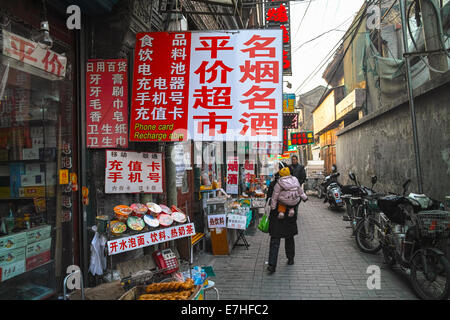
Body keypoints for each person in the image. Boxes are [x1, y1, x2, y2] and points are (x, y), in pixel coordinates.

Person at [266, 162, 308, 274]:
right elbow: (299, 196)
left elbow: (270, 199)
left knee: (275, 240)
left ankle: (272, 265)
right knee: (289, 237)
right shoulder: (294, 182)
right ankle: (290, 258)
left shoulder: (275, 183)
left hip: (277, 216)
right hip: (290, 215)